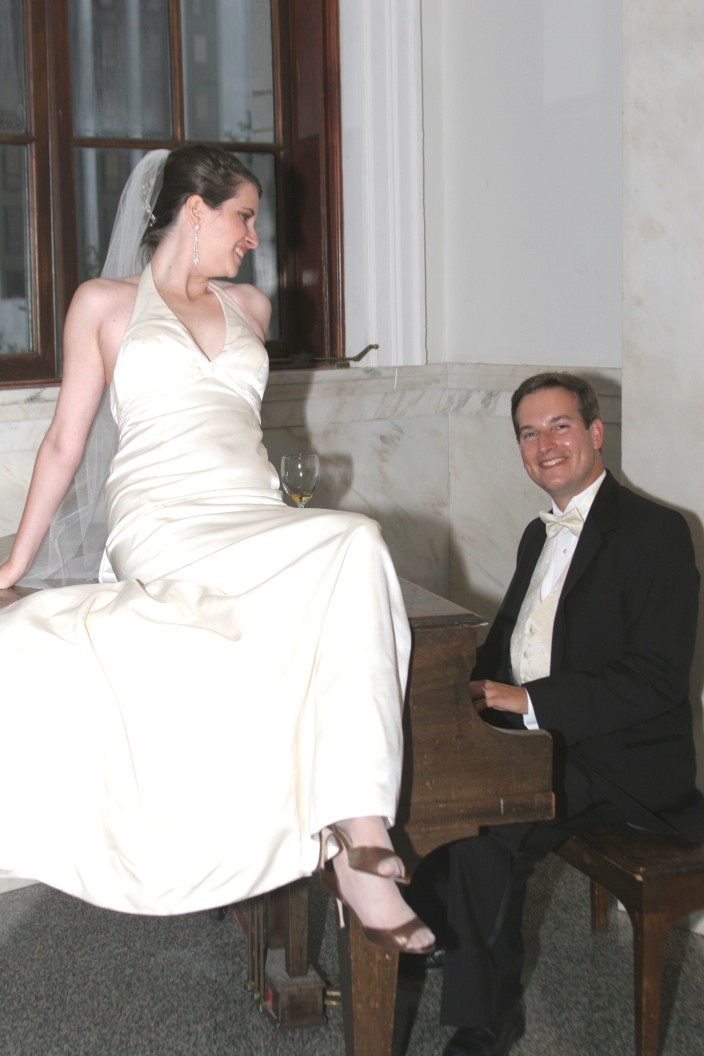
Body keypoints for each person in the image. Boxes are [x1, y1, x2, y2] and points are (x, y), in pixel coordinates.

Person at [0, 145, 434, 953]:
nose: (253, 238)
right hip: (161, 518)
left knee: (357, 538)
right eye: (244, 217)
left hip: (250, 511)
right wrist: (14, 565)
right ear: (195, 211)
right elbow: (64, 442)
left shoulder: (251, 308)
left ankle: (359, 831)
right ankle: (354, 848)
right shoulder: (103, 304)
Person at [407, 372, 704, 1054]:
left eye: (560, 426)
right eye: (528, 433)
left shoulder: (657, 532)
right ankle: (445, 935)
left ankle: (485, 1021)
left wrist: (531, 701)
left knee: (486, 822)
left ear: (596, 433)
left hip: (619, 757)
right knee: (427, 777)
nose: (545, 445)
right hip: (537, 734)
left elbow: (657, 681)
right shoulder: (536, 534)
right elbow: (505, 644)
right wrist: (448, 694)